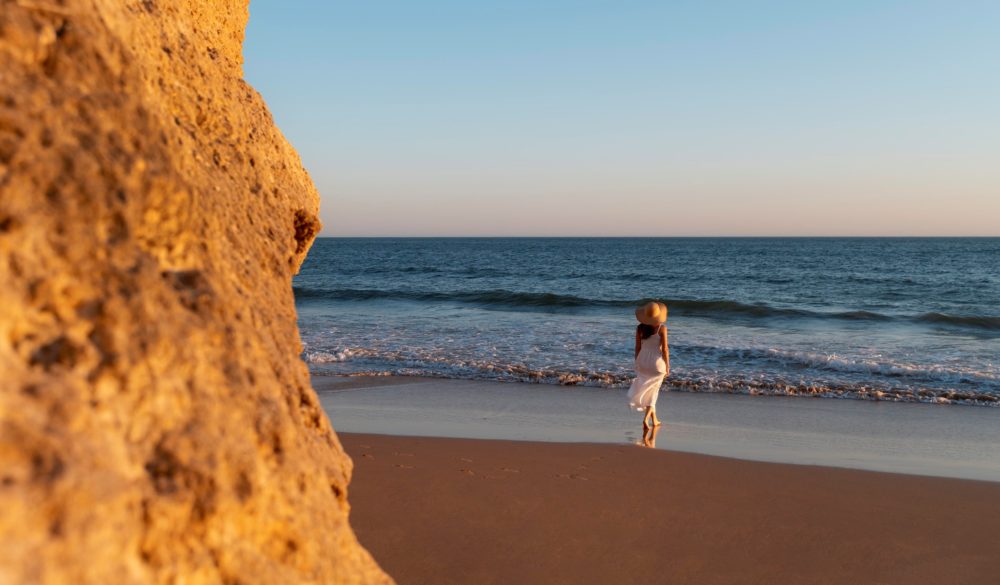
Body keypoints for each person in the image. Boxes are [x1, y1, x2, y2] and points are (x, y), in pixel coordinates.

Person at [627, 301, 670, 429]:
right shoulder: (662, 328)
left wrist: (637, 362)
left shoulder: (640, 328)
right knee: (654, 392)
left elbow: (637, 347)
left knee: (650, 392)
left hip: (643, 360)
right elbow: (666, 350)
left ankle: (655, 420)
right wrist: (667, 366)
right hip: (656, 363)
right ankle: (646, 420)